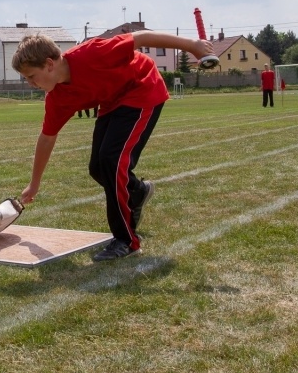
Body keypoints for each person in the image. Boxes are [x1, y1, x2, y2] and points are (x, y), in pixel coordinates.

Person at [12, 30, 216, 261]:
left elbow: (140, 38)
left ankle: (126, 240)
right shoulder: (58, 97)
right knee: (98, 168)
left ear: (49, 64)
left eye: (31, 76)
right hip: (113, 101)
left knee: (112, 161)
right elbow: (47, 137)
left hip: (141, 88)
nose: (30, 83)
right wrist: (35, 183)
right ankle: (137, 191)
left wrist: (192, 45)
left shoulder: (93, 54)